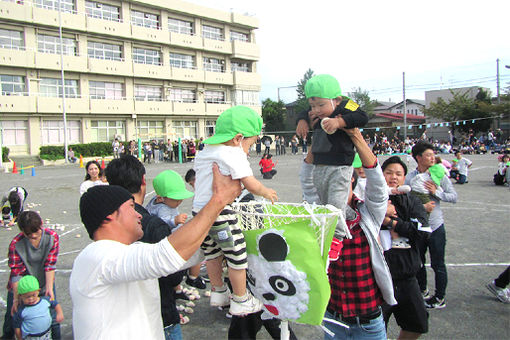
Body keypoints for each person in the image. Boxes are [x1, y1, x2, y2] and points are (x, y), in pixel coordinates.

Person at [71, 162, 241, 339]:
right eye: (130, 207)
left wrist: (223, 241)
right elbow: (163, 257)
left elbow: (185, 255)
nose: (138, 214)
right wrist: (217, 201)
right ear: (109, 217)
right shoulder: (97, 258)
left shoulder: (130, 250)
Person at [193, 106, 277, 316]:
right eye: (251, 142)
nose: (250, 148)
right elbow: (250, 184)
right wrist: (266, 192)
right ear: (238, 138)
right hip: (220, 213)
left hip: (199, 213)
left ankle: (218, 291)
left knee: (212, 253)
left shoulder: (205, 151)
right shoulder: (232, 153)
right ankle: (240, 299)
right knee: (237, 254)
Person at [104, 156, 190, 339]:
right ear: (143, 181)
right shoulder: (153, 225)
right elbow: (173, 274)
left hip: (121, 317)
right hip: (159, 315)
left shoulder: (105, 225)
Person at [323, 127, 396, 340]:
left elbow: (378, 184)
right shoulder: (321, 216)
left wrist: (355, 135)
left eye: (339, 183)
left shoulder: (367, 214)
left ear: (351, 183)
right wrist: (318, 136)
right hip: (332, 318)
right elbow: (308, 177)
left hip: (367, 321)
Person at [295, 74, 368, 238]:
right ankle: (350, 214)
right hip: (319, 165)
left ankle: (337, 236)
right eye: (312, 105)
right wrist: (302, 121)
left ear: (336, 100)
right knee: (324, 203)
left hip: (340, 166)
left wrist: (339, 122)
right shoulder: (316, 111)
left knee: (334, 204)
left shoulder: (346, 104)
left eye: (320, 105)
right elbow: (304, 112)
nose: (316, 110)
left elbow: (362, 117)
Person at [381, 156, 430, 340]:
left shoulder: (413, 202)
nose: (393, 177)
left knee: (417, 324)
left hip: (408, 277)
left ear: (404, 178)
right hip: (380, 279)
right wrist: (403, 225)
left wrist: (390, 222)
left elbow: (422, 233)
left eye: (398, 174)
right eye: (388, 173)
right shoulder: (373, 201)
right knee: (375, 328)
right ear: (381, 175)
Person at [405, 141, 457, 309]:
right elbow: (406, 200)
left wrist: (436, 193)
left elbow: (453, 197)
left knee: (438, 264)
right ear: (418, 158)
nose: (432, 157)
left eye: (433, 154)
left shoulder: (439, 174)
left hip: (435, 227)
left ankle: (440, 297)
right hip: (418, 227)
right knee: (418, 261)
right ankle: (422, 290)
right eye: (428, 155)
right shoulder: (411, 177)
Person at [2, 211, 61, 340]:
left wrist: (49, 288)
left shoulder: (52, 237)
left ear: (42, 224)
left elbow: (50, 265)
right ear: (22, 231)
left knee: (52, 317)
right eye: (29, 234)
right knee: (14, 316)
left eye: (36, 231)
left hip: (44, 281)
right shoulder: (16, 244)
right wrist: (17, 298)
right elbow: (16, 273)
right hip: (22, 285)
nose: (34, 236)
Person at [13, 275, 64, 340]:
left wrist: (60, 313)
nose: (31, 299)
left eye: (33, 295)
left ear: (38, 291)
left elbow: (56, 304)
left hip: (46, 335)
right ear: (20, 296)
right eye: (27, 297)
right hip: (30, 337)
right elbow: (17, 328)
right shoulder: (21, 310)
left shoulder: (45, 301)